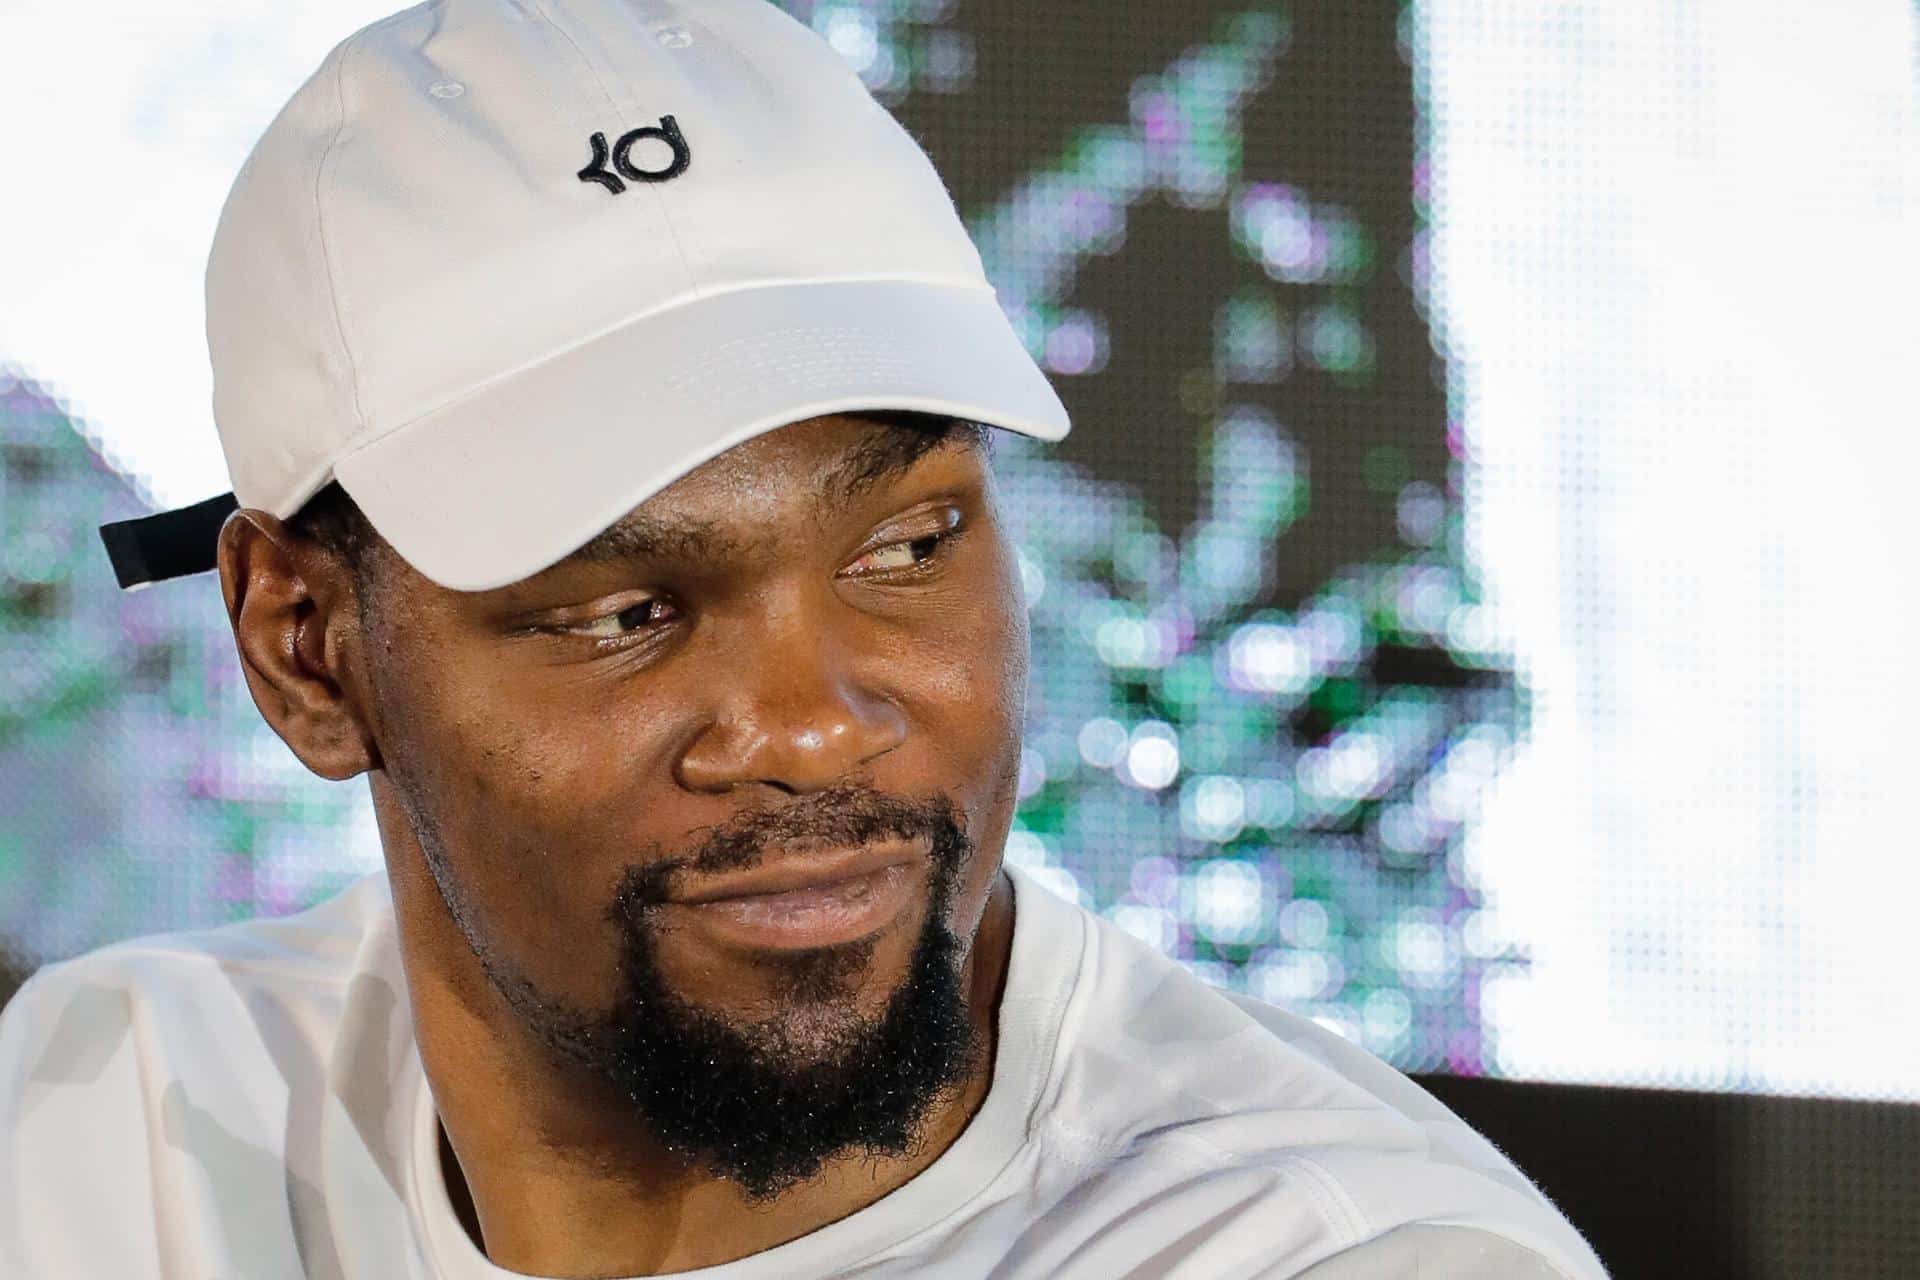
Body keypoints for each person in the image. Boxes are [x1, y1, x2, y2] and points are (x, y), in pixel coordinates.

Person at [0, 1, 1608, 1275]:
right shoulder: (117, 1128)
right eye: (624, 612)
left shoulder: (1328, 1255)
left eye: (906, 546)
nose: (818, 724)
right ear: (304, 650)